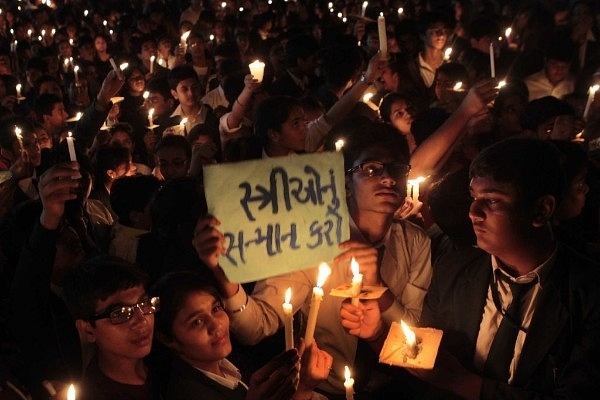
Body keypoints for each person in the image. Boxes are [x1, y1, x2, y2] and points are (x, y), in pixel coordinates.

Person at [340, 137, 600, 399]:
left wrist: (464, 383)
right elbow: (424, 367)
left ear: (541, 210)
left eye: (493, 201)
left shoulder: (587, 294)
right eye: (474, 197)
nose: (473, 212)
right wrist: (377, 335)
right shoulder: (456, 270)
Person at [192, 119, 432, 397]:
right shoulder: (312, 239)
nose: (388, 178)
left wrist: (377, 286)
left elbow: (414, 331)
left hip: (396, 387)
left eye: (397, 169)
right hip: (324, 390)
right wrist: (223, 274)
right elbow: (256, 326)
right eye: (371, 169)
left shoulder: (415, 242)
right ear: (346, 181)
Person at [151, 270, 332, 400]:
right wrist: (303, 390)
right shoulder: (188, 392)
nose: (216, 325)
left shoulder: (229, 365)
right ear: (167, 338)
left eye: (215, 309)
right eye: (196, 322)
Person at [62, 254, 160, 400]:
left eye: (144, 304)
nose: (142, 321)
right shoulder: (98, 394)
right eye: (120, 313)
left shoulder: (165, 358)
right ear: (88, 330)